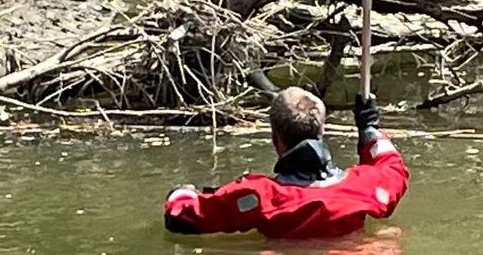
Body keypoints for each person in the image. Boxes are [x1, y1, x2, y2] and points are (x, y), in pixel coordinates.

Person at [163, 87, 409, 239]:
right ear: (322, 132)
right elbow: (392, 165)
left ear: (275, 138)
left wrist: (182, 192)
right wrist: (368, 127)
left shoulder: (259, 197)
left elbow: (181, 218)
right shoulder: (366, 187)